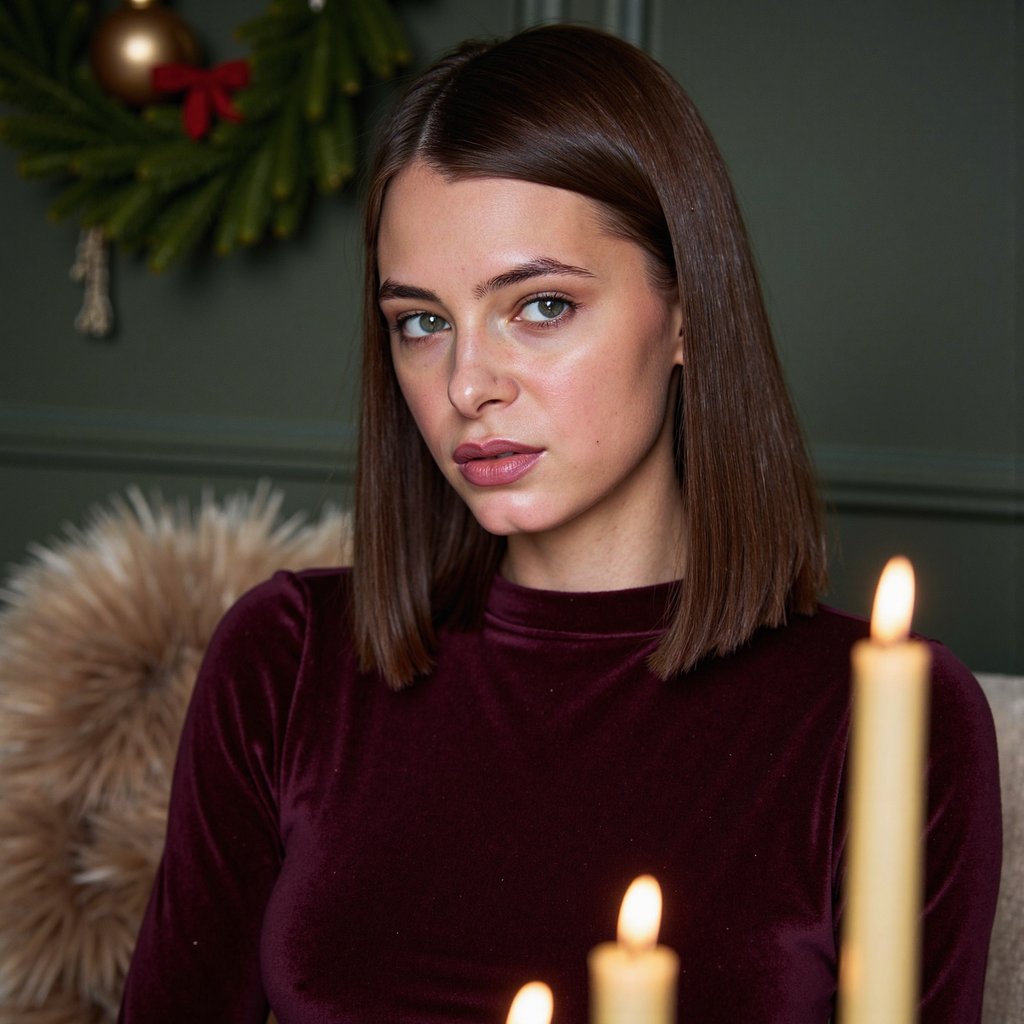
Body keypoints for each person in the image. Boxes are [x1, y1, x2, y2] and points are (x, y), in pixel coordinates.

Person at [119, 24, 1001, 1024]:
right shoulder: (286, 663)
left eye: (539, 306)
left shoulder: (888, 720)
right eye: (420, 320)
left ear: (686, 315)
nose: (466, 384)